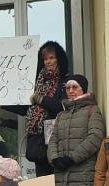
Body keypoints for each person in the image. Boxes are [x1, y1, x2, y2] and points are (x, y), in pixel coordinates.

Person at [46, 74, 105, 186]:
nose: (71, 91)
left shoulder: (92, 111)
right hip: (64, 170)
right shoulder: (62, 114)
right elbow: (53, 139)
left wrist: (72, 158)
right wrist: (54, 158)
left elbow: (95, 138)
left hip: (83, 168)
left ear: (83, 90)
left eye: (75, 87)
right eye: (68, 87)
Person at [23, 40, 69, 178]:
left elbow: (62, 106)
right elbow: (26, 108)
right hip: (38, 144)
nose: (48, 62)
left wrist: (41, 99)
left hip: (56, 143)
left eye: (51, 58)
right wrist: (3, 104)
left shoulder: (65, 82)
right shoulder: (36, 83)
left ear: (59, 59)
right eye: (45, 59)